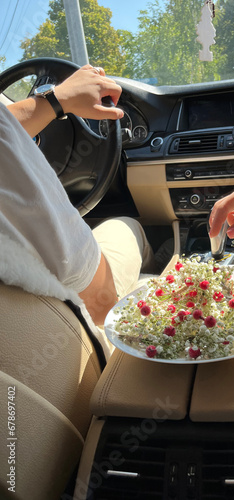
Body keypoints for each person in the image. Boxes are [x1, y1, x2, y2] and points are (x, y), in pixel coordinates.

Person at [1, 64, 155, 331]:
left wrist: (56, 103)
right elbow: (96, 297)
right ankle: (160, 262)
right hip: (83, 322)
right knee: (129, 225)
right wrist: (57, 99)